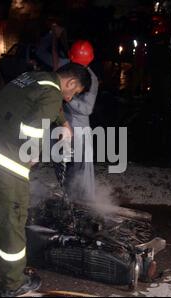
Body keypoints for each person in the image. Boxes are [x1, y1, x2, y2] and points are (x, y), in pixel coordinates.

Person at [0, 63, 91, 297]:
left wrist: (63, 122)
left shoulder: (31, 78)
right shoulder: (54, 93)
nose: (70, 98)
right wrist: (32, 154)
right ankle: (14, 284)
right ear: (71, 83)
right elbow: (33, 125)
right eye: (74, 93)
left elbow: (43, 102)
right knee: (11, 224)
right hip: (4, 162)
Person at [63, 40, 98, 203]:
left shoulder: (92, 79)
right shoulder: (65, 69)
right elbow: (44, 55)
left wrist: (68, 98)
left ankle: (87, 205)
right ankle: (70, 200)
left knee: (84, 171)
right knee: (67, 166)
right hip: (64, 126)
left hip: (80, 130)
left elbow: (87, 109)